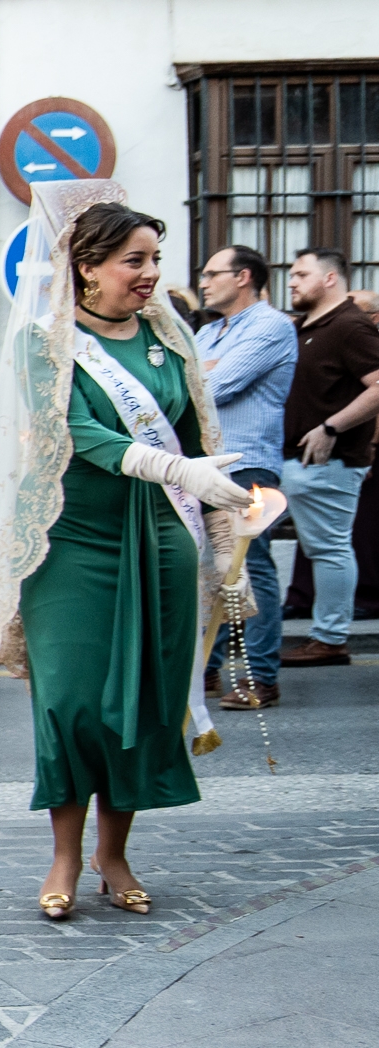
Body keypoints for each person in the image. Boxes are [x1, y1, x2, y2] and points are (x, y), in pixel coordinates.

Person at [0, 185, 247, 925]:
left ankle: (114, 854)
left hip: (157, 537)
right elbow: (74, 433)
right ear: (86, 267)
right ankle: (63, 853)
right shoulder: (40, 343)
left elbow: (192, 425)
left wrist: (217, 489)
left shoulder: (167, 334)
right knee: (72, 704)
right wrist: (176, 469)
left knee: (142, 699)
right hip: (72, 543)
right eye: (135, 260)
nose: (150, 273)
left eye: (155, 259)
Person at [194, 243, 296, 705]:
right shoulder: (210, 332)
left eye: (214, 272)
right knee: (211, 565)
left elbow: (216, 385)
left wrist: (204, 373)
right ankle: (210, 669)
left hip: (247, 461)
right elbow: (185, 381)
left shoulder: (271, 325)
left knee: (249, 565)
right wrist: (203, 372)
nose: (203, 280)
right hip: (204, 463)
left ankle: (260, 675)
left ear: (244, 277)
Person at [279, 247, 379, 668]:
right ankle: (326, 634)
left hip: (329, 462)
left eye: (301, 274)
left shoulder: (351, 326)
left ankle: (330, 638)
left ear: (330, 279)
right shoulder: (310, 326)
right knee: (325, 549)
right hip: (302, 462)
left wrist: (331, 428)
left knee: (330, 549)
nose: (292, 281)